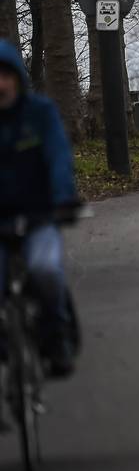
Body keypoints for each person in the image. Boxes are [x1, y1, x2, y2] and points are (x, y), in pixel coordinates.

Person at [0, 39, 79, 377]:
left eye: (5, 75)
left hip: (39, 216)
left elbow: (58, 157)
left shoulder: (40, 113)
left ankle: (55, 336)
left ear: (17, 77)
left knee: (45, 270)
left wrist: (63, 197)